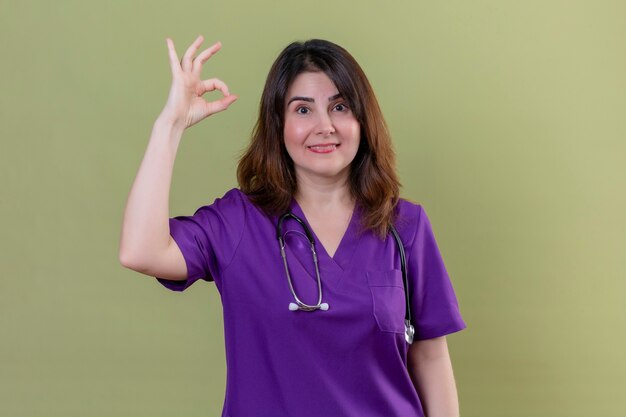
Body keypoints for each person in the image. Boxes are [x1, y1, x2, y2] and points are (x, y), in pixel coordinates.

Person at [119, 34, 466, 417]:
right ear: (279, 125)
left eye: (340, 106)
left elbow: (431, 358)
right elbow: (141, 251)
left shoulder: (405, 226)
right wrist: (170, 125)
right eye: (303, 110)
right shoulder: (238, 222)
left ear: (362, 120)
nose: (324, 126)